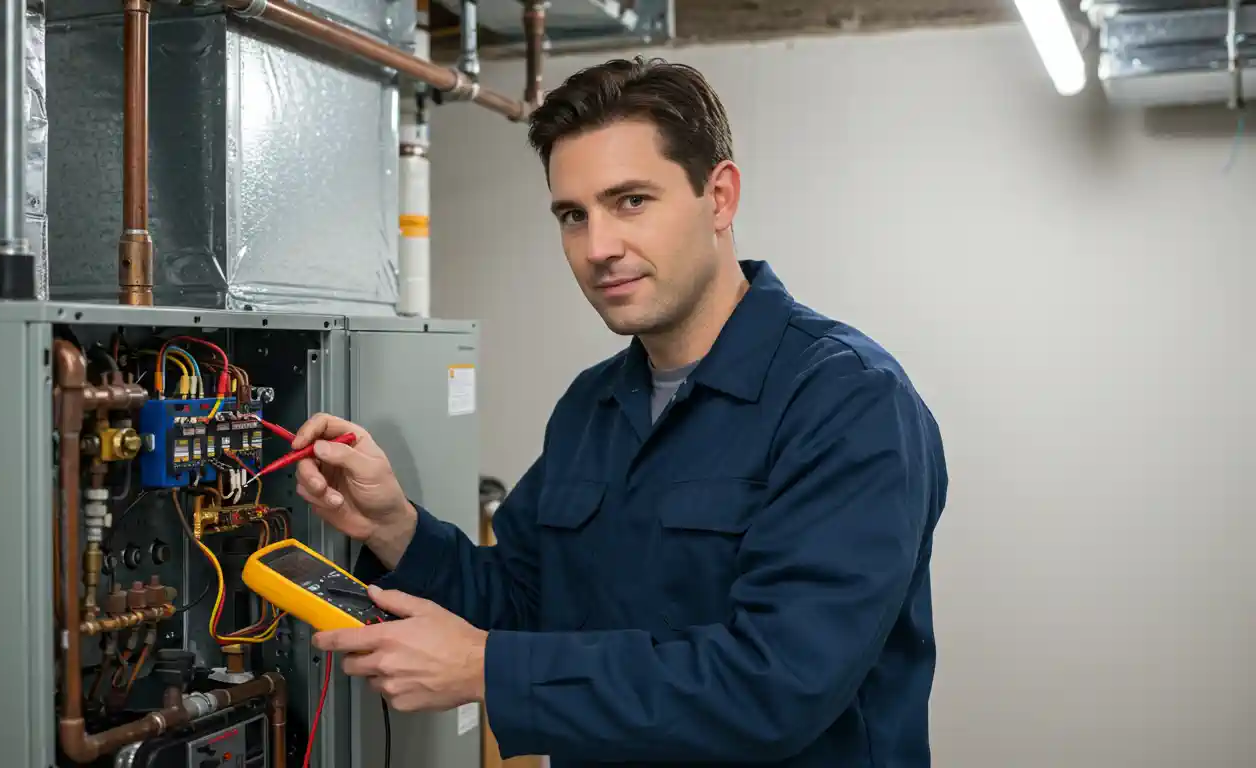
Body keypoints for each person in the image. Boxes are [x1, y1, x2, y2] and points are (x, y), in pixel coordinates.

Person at [291, 56, 948, 767]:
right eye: (573, 215)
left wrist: (489, 669)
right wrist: (395, 527)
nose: (598, 248)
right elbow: (526, 603)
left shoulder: (848, 402)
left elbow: (777, 685)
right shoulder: (592, 407)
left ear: (720, 196)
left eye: (631, 200)